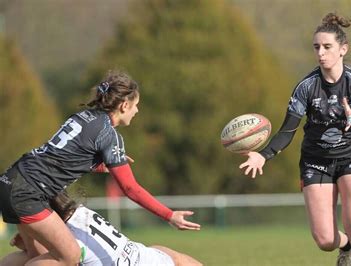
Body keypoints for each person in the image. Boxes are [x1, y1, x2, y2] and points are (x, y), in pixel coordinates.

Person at [0, 70, 201, 265]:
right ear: (124, 105)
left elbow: (60, 156)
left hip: (12, 180)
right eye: (136, 105)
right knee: (69, 257)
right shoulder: (108, 134)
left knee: (39, 257)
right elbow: (130, 189)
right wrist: (169, 215)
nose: (137, 111)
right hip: (29, 193)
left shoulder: (84, 116)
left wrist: (98, 165)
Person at [239, 13, 351, 266]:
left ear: (343, 49)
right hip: (316, 162)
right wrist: (263, 154)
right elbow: (288, 130)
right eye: (317, 47)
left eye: (327, 47)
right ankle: (344, 245)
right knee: (325, 240)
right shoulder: (306, 87)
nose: (321, 53)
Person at [1, 192, 203, 266]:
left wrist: (29, 242)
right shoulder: (80, 213)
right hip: (154, 255)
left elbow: (37, 259)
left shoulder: (70, 244)